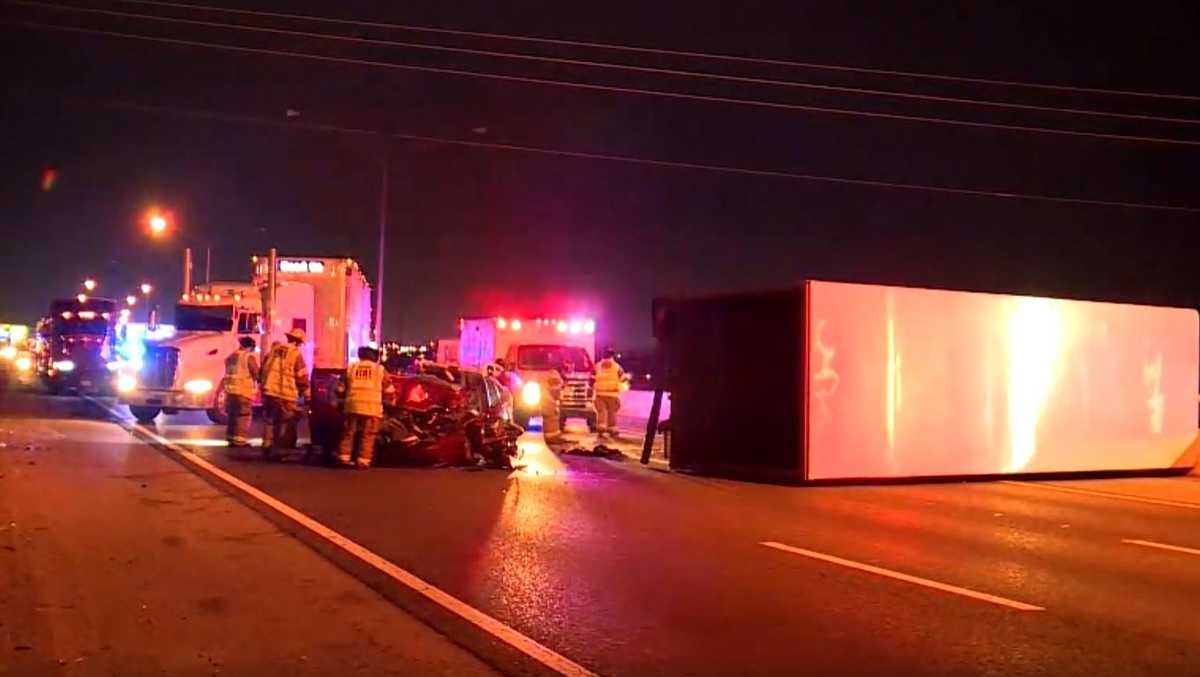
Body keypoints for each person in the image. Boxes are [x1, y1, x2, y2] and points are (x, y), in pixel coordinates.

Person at [336, 346, 396, 469]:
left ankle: (343, 458)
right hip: (371, 408)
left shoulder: (352, 367)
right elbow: (389, 391)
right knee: (368, 435)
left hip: (352, 406)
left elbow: (339, 389)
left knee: (348, 433)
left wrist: (342, 398)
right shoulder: (380, 370)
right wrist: (391, 403)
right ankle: (363, 461)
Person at [259, 328, 309, 459]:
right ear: (298, 342)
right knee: (284, 421)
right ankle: (279, 449)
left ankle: (266, 446)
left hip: (269, 391)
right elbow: (301, 376)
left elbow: (264, 368)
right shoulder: (295, 354)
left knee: (269, 420)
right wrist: (307, 394)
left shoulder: (274, 350)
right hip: (285, 394)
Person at [221, 336, 260, 447]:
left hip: (230, 391)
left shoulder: (231, 356)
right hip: (243, 391)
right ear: (249, 346)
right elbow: (256, 373)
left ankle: (230, 438)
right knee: (243, 416)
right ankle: (239, 440)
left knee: (232, 416)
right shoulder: (248, 357)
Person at [593, 348, 628, 438]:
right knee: (612, 412)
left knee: (601, 412)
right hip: (612, 394)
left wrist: (593, 388)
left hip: (599, 394)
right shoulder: (617, 367)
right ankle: (612, 429)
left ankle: (601, 428)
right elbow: (623, 379)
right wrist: (621, 389)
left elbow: (591, 379)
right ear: (612, 355)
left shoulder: (597, 366)